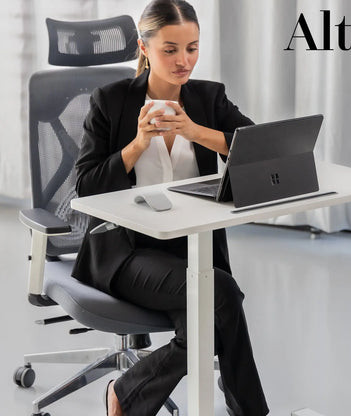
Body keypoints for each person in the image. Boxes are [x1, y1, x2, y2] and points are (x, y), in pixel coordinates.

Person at [72, 0, 269, 415]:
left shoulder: (207, 97)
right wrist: (137, 145)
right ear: (145, 48)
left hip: (189, 249)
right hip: (125, 252)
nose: (184, 61)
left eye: (192, 48)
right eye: (171, 49)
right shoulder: (110, 101)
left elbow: (259, 149)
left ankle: (125, 394)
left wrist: (197, 131)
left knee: (210, 323)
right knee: (221, 296)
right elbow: (85, 187)